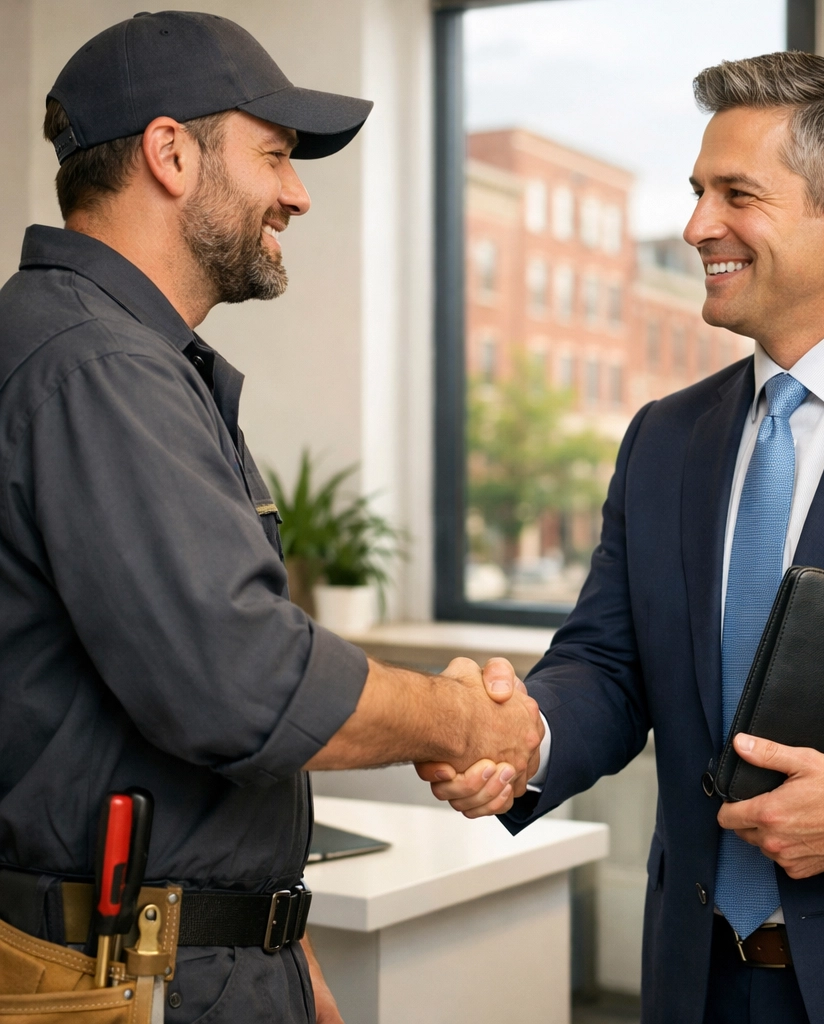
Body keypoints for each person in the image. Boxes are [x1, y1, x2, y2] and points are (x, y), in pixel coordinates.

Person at [422, 51, 824, 1023]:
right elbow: (609, 668)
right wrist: (516, 737)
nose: (697, 225)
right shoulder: (665, 437)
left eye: (734, 194)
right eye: (696, 191)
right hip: (695, 981)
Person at [0, 12, 540, 1024]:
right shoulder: (100, 369)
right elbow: (242, 682)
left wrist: (277, 948)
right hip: (123, 979)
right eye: (275, 155)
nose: (295, 192)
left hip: (188, 957)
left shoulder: (112, 355)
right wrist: (466, 717)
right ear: (170, 154)